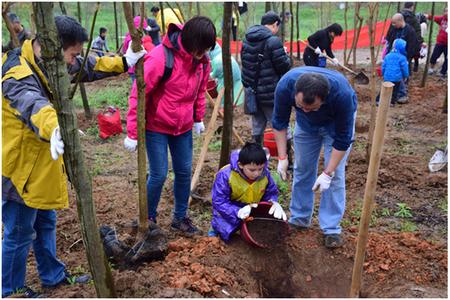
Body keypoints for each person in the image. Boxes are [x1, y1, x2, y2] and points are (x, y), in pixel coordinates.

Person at [2, 15, 145, 298]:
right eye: (72, 54)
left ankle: (52, 276)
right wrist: (54, 126)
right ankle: (10, 289)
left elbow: (87, 65)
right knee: (19, 233)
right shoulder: (16, 74)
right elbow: (33, 103)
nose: (73, 61)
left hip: (42, 164)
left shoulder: (51, 60)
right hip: (19, 170)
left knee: (46, 222)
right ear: (54, 46)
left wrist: (124, 61)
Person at [124, 17, 216, 236]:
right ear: (189, 41)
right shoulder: (160, 58)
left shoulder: (202, 62)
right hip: (157, 126)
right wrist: (133, 132)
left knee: (184, 172)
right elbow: (139, 94)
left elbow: (199, 92)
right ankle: (148, 218)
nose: (202, 54)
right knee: (158, 174)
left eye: (205, 50)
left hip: (182, 127)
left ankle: (180, 217)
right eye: (199, 50)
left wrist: (197, 118)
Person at [272, 67, 357, 249]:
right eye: (301, 107)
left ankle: (331, 228)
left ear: (324, 100)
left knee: (335, 177)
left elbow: (343, 140)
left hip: (335, 126)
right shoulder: (286, 86)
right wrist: (282, 157)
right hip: (305, 128)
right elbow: (279, 122)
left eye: (312, 108)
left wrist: (328, 172)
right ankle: (300, 219)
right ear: (296, 94)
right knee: (302, 169)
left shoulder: (342, 96)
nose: (307, 111)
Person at [209, 142, 286, 241]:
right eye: (252, 170)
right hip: (231, 208)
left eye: (260, 169)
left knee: (268, 224)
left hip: (253, 208)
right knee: (223, 227)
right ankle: (215, 230)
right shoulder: (226, 175)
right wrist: (237, 211)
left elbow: (271, 192)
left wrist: (273, 202)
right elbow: (219, 201)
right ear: (241, 165)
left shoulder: (265, 175)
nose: (257, 173)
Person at [241, 11, 291, 146]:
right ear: (275, 24)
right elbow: (283, 67)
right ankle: (288, 160)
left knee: (257, 126)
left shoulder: (247, 39)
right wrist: (286, 56)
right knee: (280, 124)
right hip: (270, 93)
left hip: (253, 92)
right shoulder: (273, 41)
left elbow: (245, 65)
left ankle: (257, 159)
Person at [385, 13, 418, 104]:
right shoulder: (393, 29)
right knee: (393, 73)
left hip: (403, 57)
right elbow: (389, 39)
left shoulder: (410, 31)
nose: (393, 25)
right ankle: (392, 93)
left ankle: (402, 94)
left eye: (395, 23)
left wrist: (407, 58)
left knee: (401, 76)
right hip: (392, 55)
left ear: (400, 21)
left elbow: (412, 46)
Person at [377, 39, 410, 107]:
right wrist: (406, 75)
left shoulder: (387, 56)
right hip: (397, 78)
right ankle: (391, 102)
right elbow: (404, 68)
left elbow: (383, 66)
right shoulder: (402, 58)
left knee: (384, 89)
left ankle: (378, 100)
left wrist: (383, 73)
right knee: (395, 90)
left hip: (387, 77)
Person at [122, 16, 155, 82]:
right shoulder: (132, 39)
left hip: (137, 67)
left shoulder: (132, 37)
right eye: (142, 29)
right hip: (134, 68)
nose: (143, 31)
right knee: (137, 87)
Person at [426, 7, 448, 77]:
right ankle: (431, 68)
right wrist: (426, 16)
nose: (447, 13)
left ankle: (443, 72)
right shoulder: (442, 18)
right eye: (445, 11)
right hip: (440, 42)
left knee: (447, 59)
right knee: (434, 56)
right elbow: (433, 18)